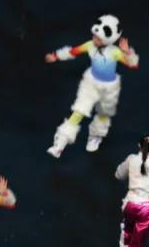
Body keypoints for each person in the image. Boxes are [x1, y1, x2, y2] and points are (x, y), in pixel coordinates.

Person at [45, 15, 139, 157]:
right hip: (90, 85)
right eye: (94, 36)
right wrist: (56, 56)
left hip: (109, 89)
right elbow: (73, 51)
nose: (95, 39)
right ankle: (59, 144)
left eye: (98, 38)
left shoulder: (115, 52)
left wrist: (127, 52)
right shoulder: (89, 45)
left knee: (103, 114)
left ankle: (95, 137)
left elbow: (133, 65)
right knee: (78, 111)